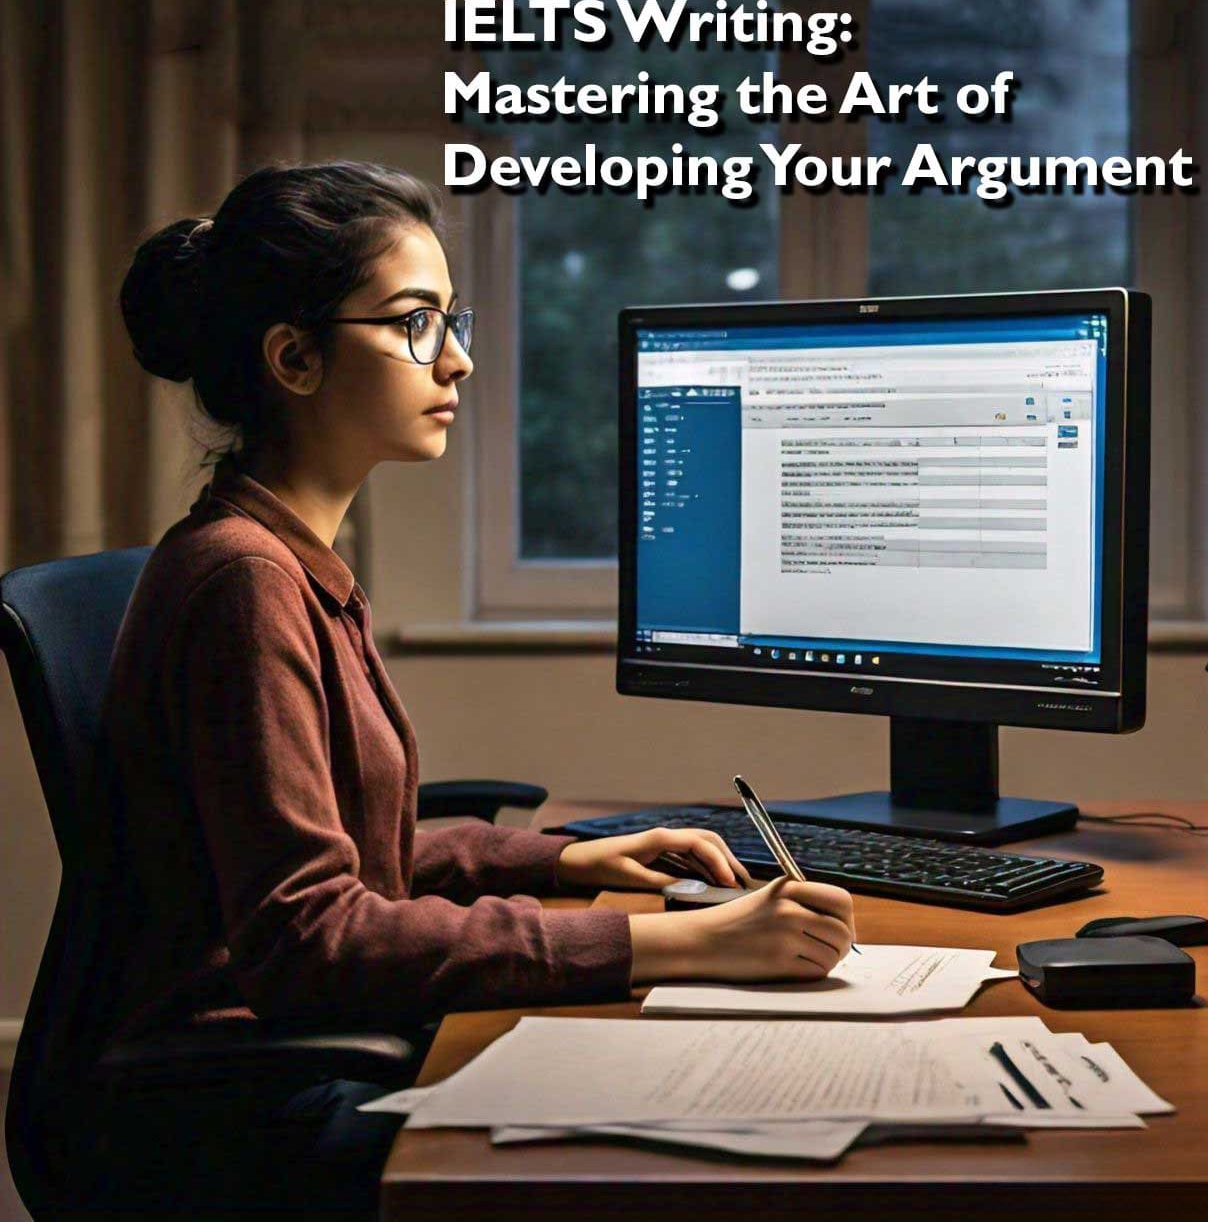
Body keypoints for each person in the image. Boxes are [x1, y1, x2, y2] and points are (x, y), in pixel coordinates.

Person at [88, 160, 855, 1218]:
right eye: (415, 323)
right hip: (245, 1100)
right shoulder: (244, 581)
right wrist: (676, 939)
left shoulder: (280, 557)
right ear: (294, 356)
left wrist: (566, 857)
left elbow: (349, 855)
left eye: (453, 319)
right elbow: (311, 937)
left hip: (289, 1052)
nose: (459, 358)